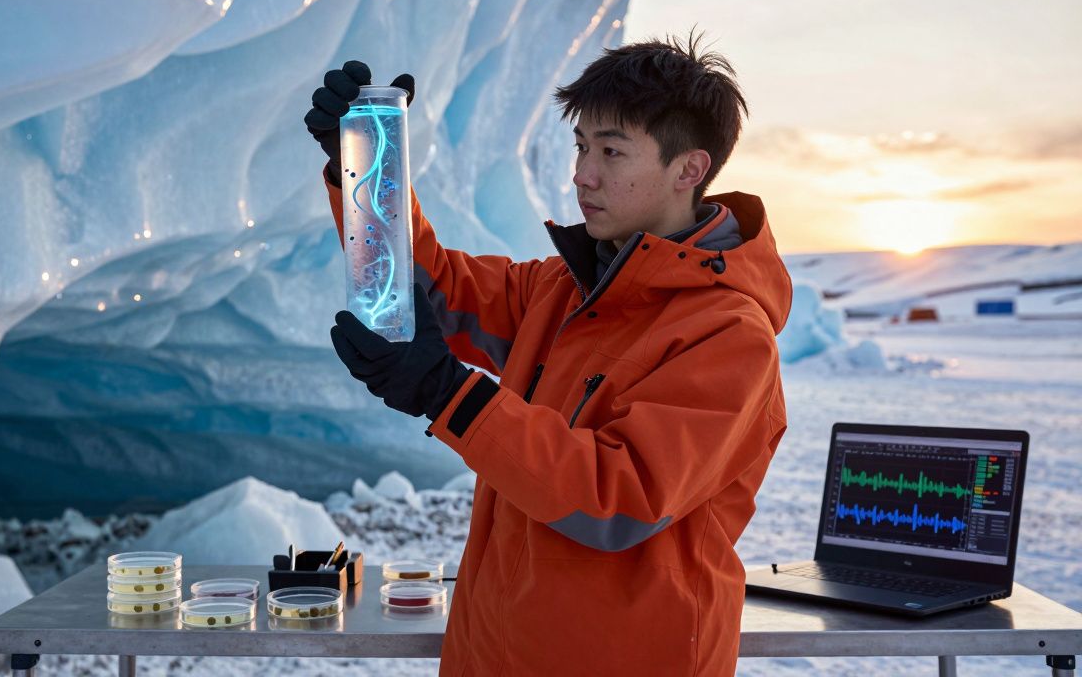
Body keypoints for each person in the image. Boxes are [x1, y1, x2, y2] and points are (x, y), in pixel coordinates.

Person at [304, 33, 791, 676]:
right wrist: (365, 167)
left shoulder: (728, 335)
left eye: (612, 152)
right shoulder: (564, 289)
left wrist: (448, 393)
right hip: (493, 655)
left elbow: (618, 498)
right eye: (582, 146)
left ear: (688, 170)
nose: (583, 174)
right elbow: (435, 286)